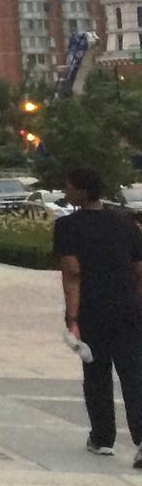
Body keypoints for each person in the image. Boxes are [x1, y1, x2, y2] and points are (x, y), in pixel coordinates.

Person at [53, 165, 142, 466]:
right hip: (128, 309)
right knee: (133, 374)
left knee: (96, 373)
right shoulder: (126, 222)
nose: (66, 191)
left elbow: (72, 273)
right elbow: (139, 269)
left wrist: (72, 318)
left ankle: (103, 438)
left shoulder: (68, 226)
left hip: (93, 309)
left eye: (69, 186)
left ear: (82, 191)